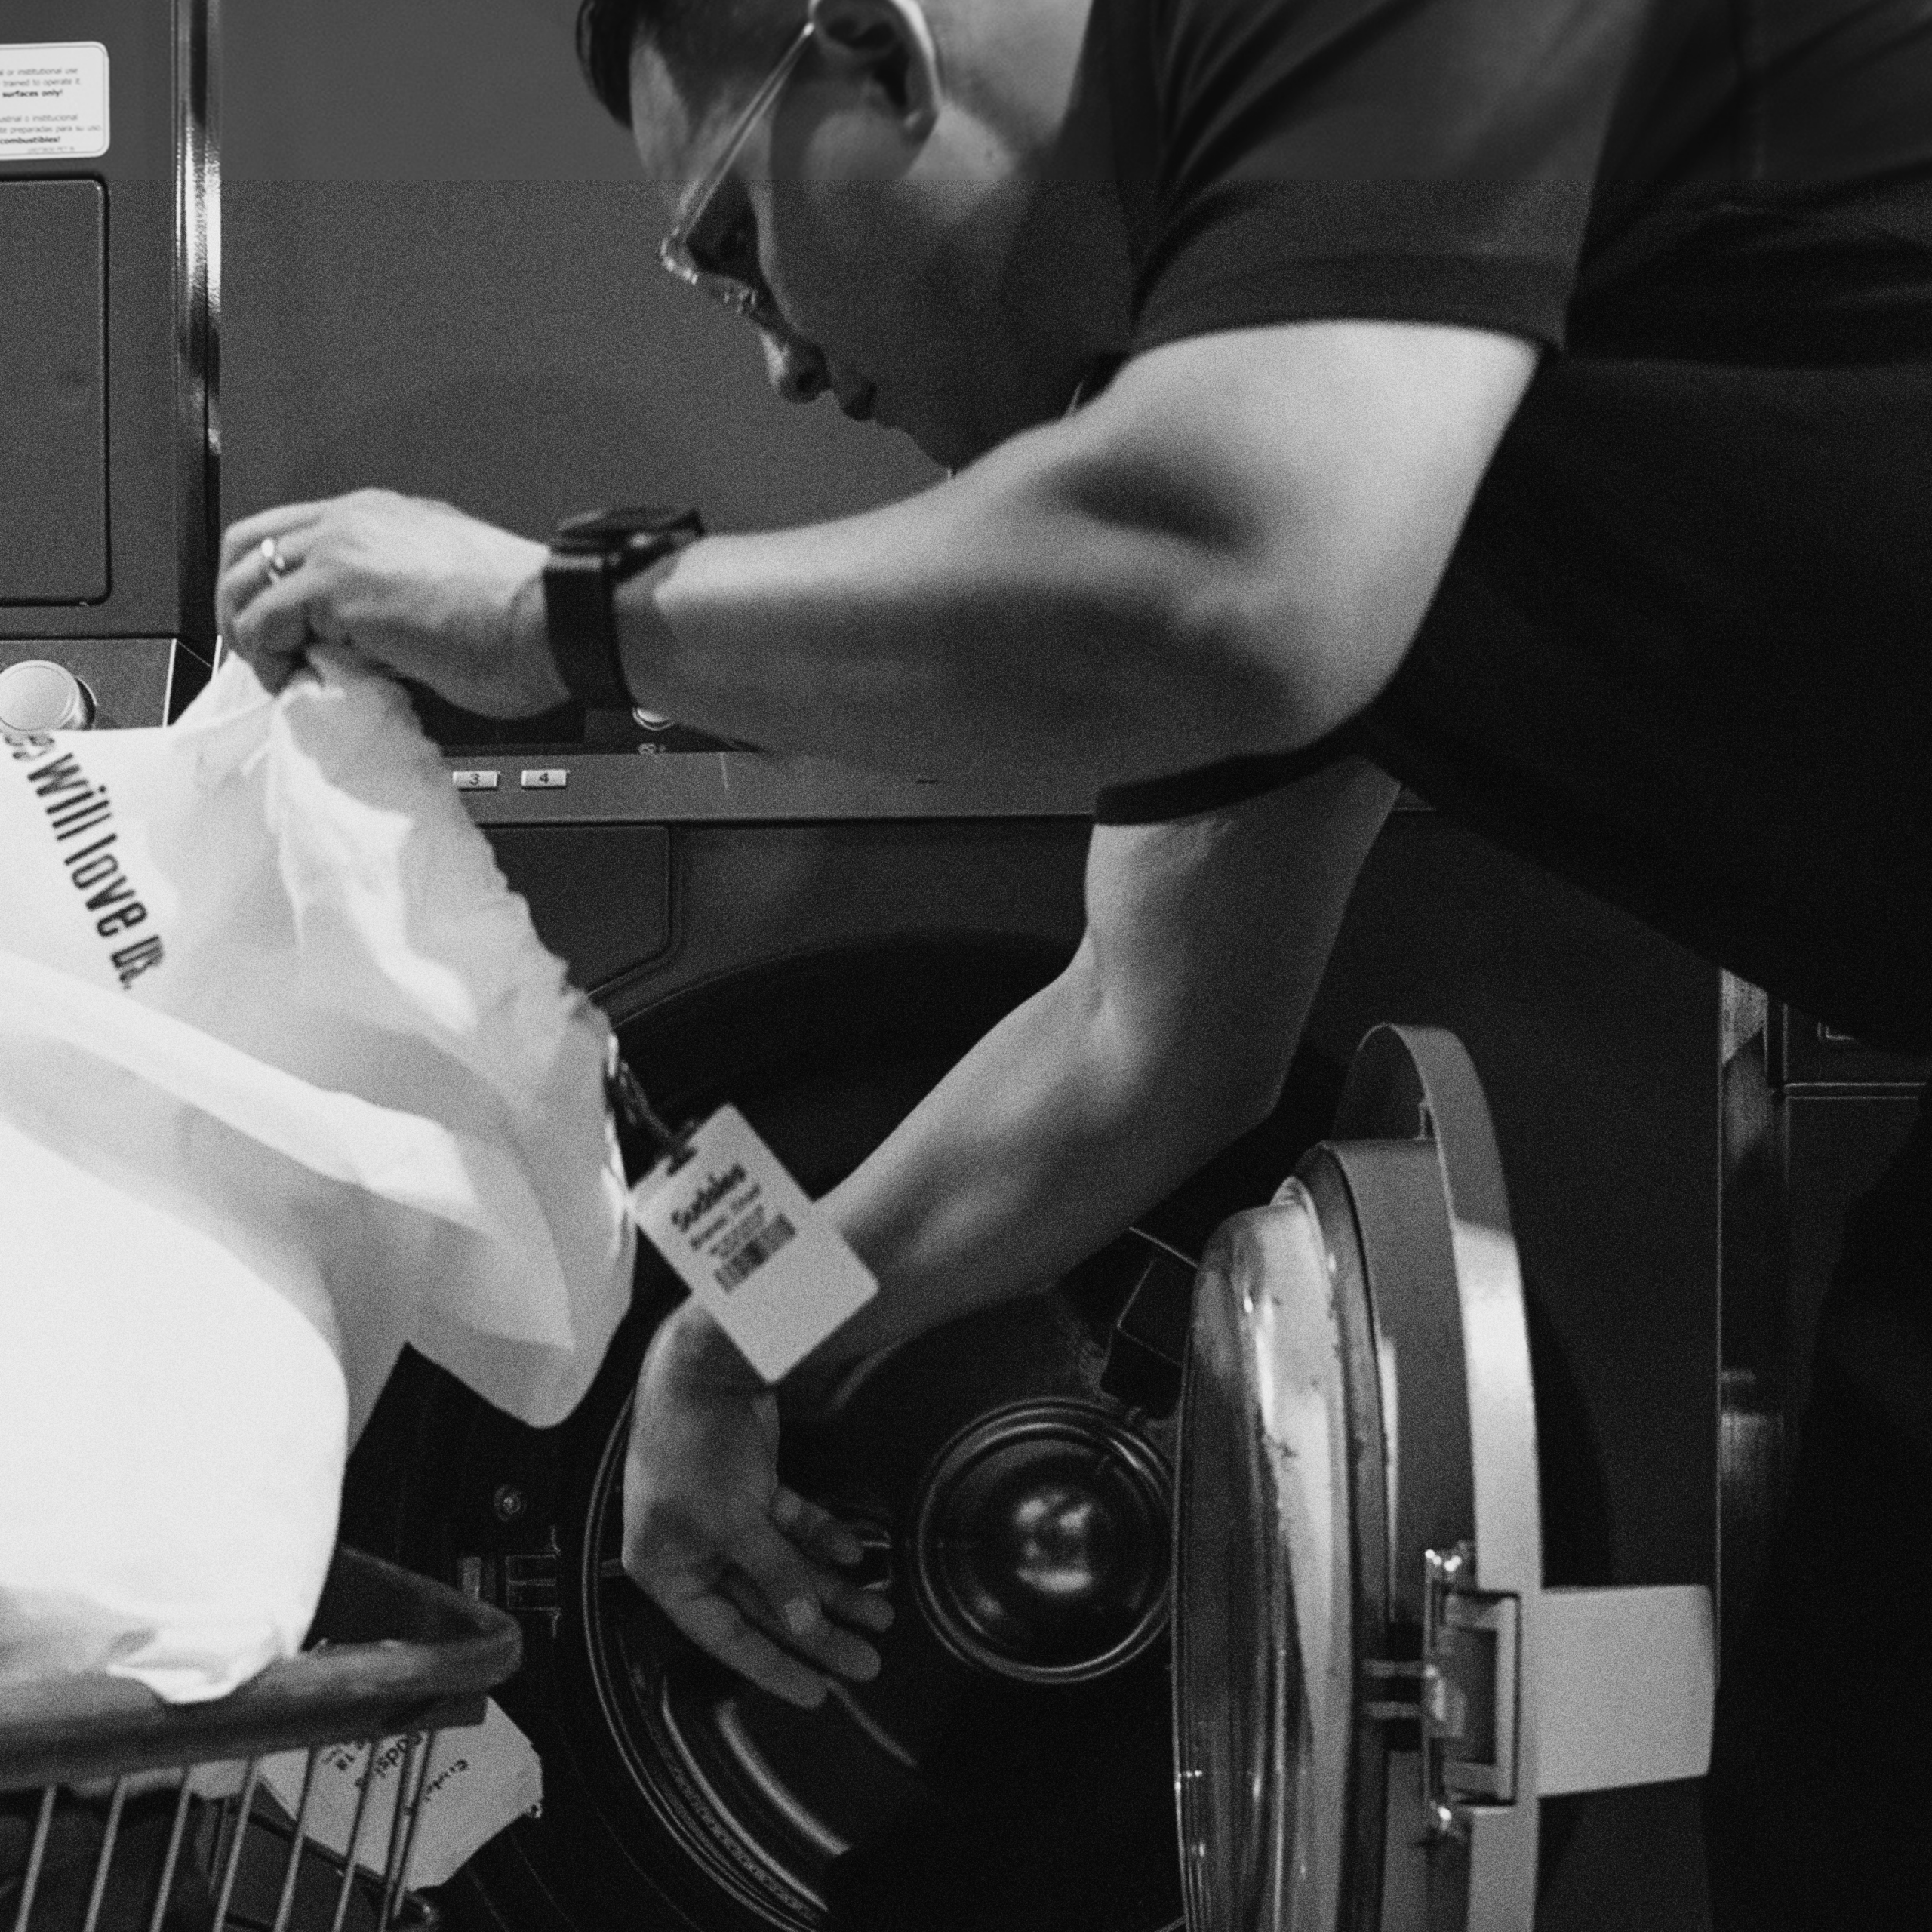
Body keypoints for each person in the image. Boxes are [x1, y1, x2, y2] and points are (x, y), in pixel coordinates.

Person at [216, 1, 1932, 1922]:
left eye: (726, 250)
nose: (779, 367)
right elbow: (1145, 1033)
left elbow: (1231, 582)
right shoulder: (1293, 362)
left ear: (874, 47)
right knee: (1849, 1794)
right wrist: (736, 1337)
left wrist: (565, 617)